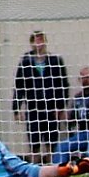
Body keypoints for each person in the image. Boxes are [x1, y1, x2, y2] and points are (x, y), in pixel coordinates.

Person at [12, 30, 69, 163]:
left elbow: (63, 85)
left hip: (51, 107)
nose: (39, 44)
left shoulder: (55, 61)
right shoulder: (26, 62)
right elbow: (19, 85)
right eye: (36, 41)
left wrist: (60, 107)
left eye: (41, 40)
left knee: (51, 141)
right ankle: (34, 170)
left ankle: (51, 168)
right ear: (31, 44)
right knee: (34, 142)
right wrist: (16, 108)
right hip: (33, 107)